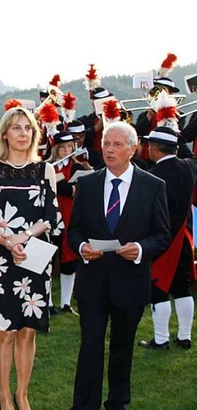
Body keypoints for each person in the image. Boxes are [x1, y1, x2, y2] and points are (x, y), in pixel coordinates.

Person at [67, 121, 171, 410]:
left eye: (116, 145)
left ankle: (117, 402)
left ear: (132, 149)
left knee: (122, 346)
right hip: (92, 281)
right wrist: (81, 247)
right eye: (106, 144)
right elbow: (73, 231)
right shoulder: (87, 184)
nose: (109, 149)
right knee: (90, 343)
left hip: (131, 282)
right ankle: (84, 404)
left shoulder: (153, 186)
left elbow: (162, 234)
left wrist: (139, 249)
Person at [0, 106, 62, 410]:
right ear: (4, 134)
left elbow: (51, 215)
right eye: (16, 128)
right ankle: (3, 394)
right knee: (5, 330)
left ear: (35, 133)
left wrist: (24, 238)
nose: (23, 133)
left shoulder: (45, 170)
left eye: (27, 128)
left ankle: (22, 395)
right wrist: (8, 243)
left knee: (27, 330)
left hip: (34, 257)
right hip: (0, 260)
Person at [138, 127, 197, 350]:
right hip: (183, 236)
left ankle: (161, 339)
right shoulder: (190, 167)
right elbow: (190, 154)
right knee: (183, 287)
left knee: (158, 288)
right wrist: (172, 126)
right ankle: (185, 337)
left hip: (161, 239)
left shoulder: (153, 176)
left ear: (154, 149)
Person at [46, 131, 89, 315]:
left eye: (69, 147)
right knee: (48, 259)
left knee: (70, 261)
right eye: (62, 147)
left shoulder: (78, 167)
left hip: (71, 216)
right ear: (55, 149)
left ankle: (65, 303)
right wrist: (64, 187)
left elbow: (79, 191)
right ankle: (46, 302)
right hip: (51, 216)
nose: (66, 151)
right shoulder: (47, 167)